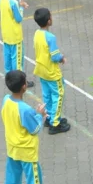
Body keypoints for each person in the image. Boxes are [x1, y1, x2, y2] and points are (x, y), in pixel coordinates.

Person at [1, 70, 57, 184]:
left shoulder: (6, 100)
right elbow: (35, 129)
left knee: (12, 177)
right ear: (24, 87)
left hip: (12, 148)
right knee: (35, 183)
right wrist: (40, 115)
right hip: (27, 152)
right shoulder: (24, 109)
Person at [32, 7, 69, 135]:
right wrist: (62, 58)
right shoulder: (50, 37)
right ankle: (55, 123)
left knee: (47, 95)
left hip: (41, 70)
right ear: (48, 21)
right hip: (52, 72)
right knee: (58, 95)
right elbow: (54, 56)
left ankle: (48, 117)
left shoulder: (37, 34)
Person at [0, 0, 30, 76]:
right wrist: (21, 7)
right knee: (17, 60)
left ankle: (9, 77)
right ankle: (19, 81)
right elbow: (19, 18)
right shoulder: (13, 2)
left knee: (8, 58)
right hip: (15, 36)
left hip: (6, 35)